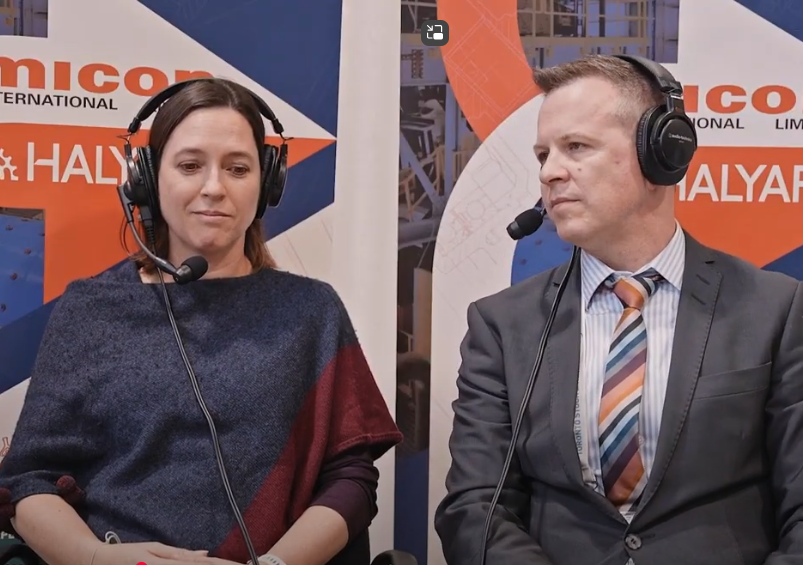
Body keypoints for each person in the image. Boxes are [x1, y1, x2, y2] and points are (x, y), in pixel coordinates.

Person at [0, 78, 404, 565]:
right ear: (147, 179)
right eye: (190, 166)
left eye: (238, 168)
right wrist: (95, 559)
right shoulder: (91, 309)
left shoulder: (311, 311)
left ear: (267, 183)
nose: (214, 187)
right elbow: (29, 479)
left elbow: (351, 478)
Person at [434, 54, 803, 565]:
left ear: (662, 153)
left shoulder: (775, 310)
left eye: (576, 147)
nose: (550, 172)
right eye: (543, 155)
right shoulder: (501, 325)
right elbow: (476, 509)